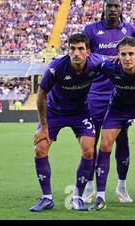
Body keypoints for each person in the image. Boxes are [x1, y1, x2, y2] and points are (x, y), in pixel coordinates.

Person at [88, 37, 135, 211]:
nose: (127, 58)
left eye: (131, 54)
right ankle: (100, 197)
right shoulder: (109, 66)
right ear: (118, 55)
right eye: (123, 54)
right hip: (119, 107)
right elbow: (90, 62)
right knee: (105, 144)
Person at [30, 33, 103, 212]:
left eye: (80, 49)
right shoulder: (56, 67)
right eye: (72, 49)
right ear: (68, 50)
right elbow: (41, 96)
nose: (76, 53)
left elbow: (116, 59)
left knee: (88, 151)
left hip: (80, 112)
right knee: (40, 149)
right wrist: (44, 127)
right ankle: (46, 198)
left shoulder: (97, 63)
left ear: (88, 52)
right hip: (55, 112)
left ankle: (78, 197)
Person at [81, 0, 135, 204]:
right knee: (91, 140)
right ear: (103, 8)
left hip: (122, 94)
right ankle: (89, 186)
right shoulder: (91, 30)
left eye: (116, 6)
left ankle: (121, 187)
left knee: (122, 138)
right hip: (96, 94)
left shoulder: (129, 30)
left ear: (121, 9)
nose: (113, 9)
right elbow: (86, 56)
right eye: (109, 6)